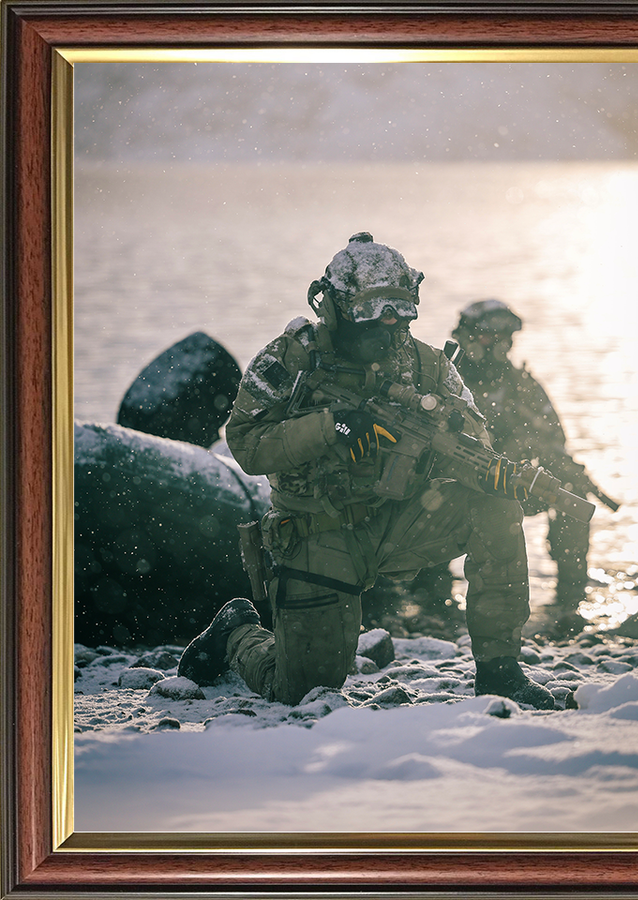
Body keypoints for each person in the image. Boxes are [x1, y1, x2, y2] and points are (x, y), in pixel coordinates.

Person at [178, 234, 558, 709]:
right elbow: (247, 446)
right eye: (372, 314)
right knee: (300, 692)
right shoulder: (291, 359)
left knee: (496, 506)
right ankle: (236, 634)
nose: (389, 327)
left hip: (399, 523)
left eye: (400, 314)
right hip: (317, 533)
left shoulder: (427, 365)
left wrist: (482, 470)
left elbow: (472, 443)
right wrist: (328, 426)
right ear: (334, 308)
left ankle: (500, 672)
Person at [450, 299, 591, 635]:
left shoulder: (521, 385)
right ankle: (428, 600)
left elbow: (556, 440)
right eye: (489, 337)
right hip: (456, 488)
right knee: (426, 499)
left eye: (504, 338)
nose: (498, 346)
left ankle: (570, 599)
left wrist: (533, 448)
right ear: (468, 338)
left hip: (511, 484)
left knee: (572, 487)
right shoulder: (447, 382)